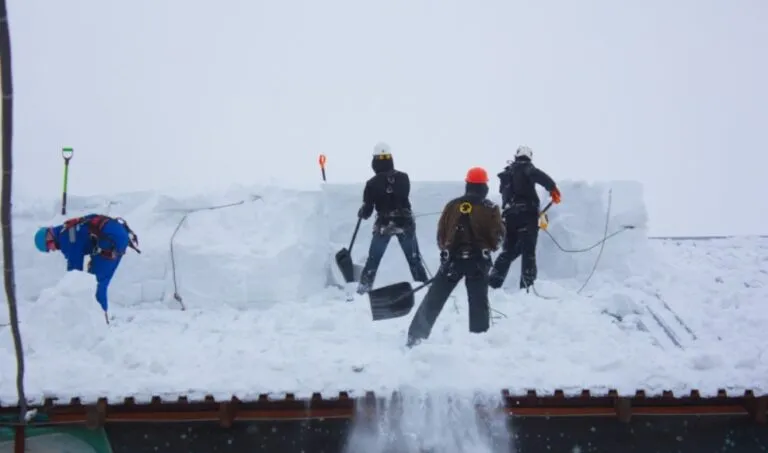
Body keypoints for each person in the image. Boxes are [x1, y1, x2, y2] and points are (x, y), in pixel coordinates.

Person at [406, 167, 505, 347]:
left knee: (434, 298)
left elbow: (441, 233)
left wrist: (446, 249)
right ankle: (479, 340)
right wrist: (488, 247)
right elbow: (497, 237)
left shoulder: (452, 205)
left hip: (452, 261)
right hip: (478, 262)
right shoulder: (490, 208)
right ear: (484, 186)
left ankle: (415, 335)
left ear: (468, 184)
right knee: (478, 302)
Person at [33, 214, 140, 317]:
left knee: (96, 285)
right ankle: (99, 318)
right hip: (117, 233)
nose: (52, 250)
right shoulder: (67, 228)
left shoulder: (66, 239)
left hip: (112, 238)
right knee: (95, 281)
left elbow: (74, 272)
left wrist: (66, 293)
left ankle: (100, 321)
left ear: (49, 237)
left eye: (48, 247)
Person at [356, 142, 428, 294]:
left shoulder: (371, 184)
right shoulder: (404, 178)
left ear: (375, 161)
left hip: (384, 225)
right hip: (405, 223)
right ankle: (424, 288)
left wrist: (362, 211)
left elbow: (368, 211)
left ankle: (363, 291)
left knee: (373, 260)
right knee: (414, 260)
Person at [489, 145, 561, 291]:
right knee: (528, 252)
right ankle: (528, 287)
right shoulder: (526, 167)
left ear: (516, 156)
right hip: (527, 215)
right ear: (529, 157)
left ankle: (492, 284)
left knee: (508, 251)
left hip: (509, 217)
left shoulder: (507, 175)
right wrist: (552, 188)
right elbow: (537, 174)